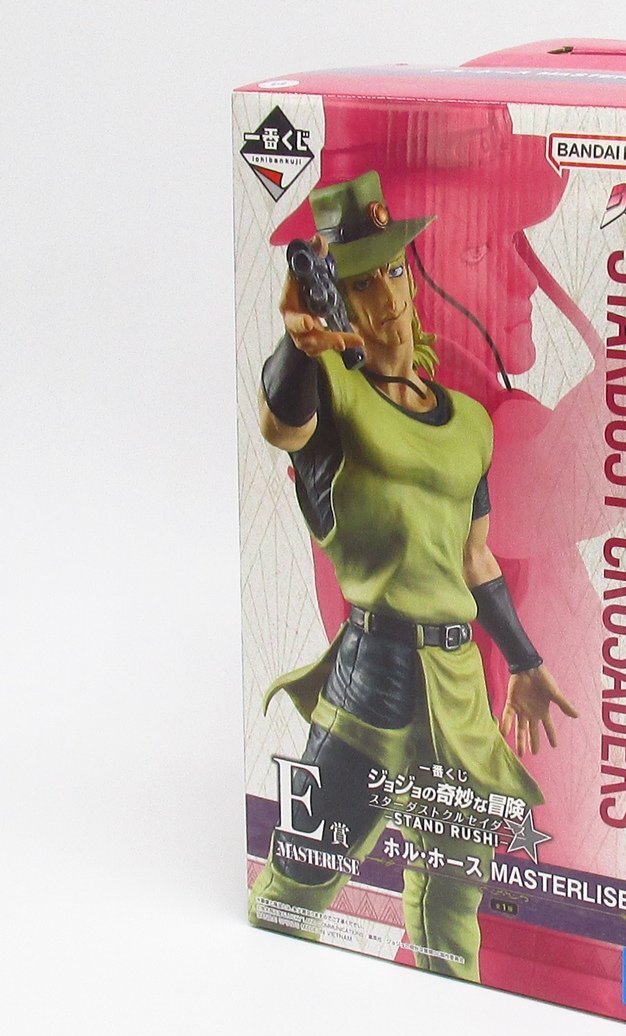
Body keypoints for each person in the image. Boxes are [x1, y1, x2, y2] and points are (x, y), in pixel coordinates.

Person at [248, 170, 577, 983]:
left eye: (393, 269)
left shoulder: (467, 422)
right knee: (297, 886)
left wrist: (524, 660)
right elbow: (282, 424)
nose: (386, 295)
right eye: (359, 283)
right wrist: (298, 343)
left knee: (452, 913)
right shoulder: (333, 391)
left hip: (459, 689)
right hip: (373, 685)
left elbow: (476, 558)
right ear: (340, 303)